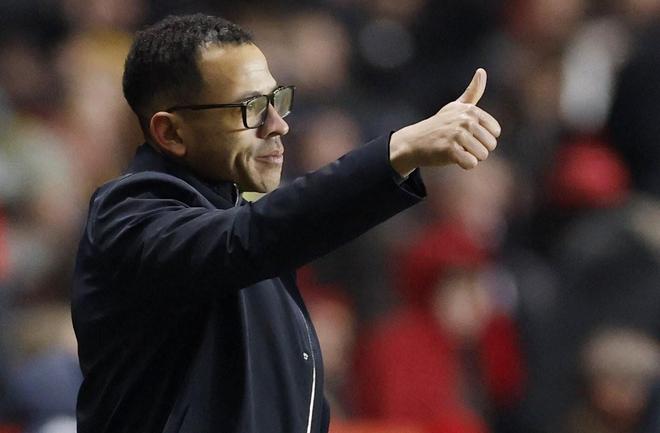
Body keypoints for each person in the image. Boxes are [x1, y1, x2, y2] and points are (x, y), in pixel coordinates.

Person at [71, 13, 501, 433]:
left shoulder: (241, 221)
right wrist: (398, 151)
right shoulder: (127, 213)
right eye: (251, 108)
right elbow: (246, 239)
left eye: (277, 100)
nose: (278, 125)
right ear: (171, 133)